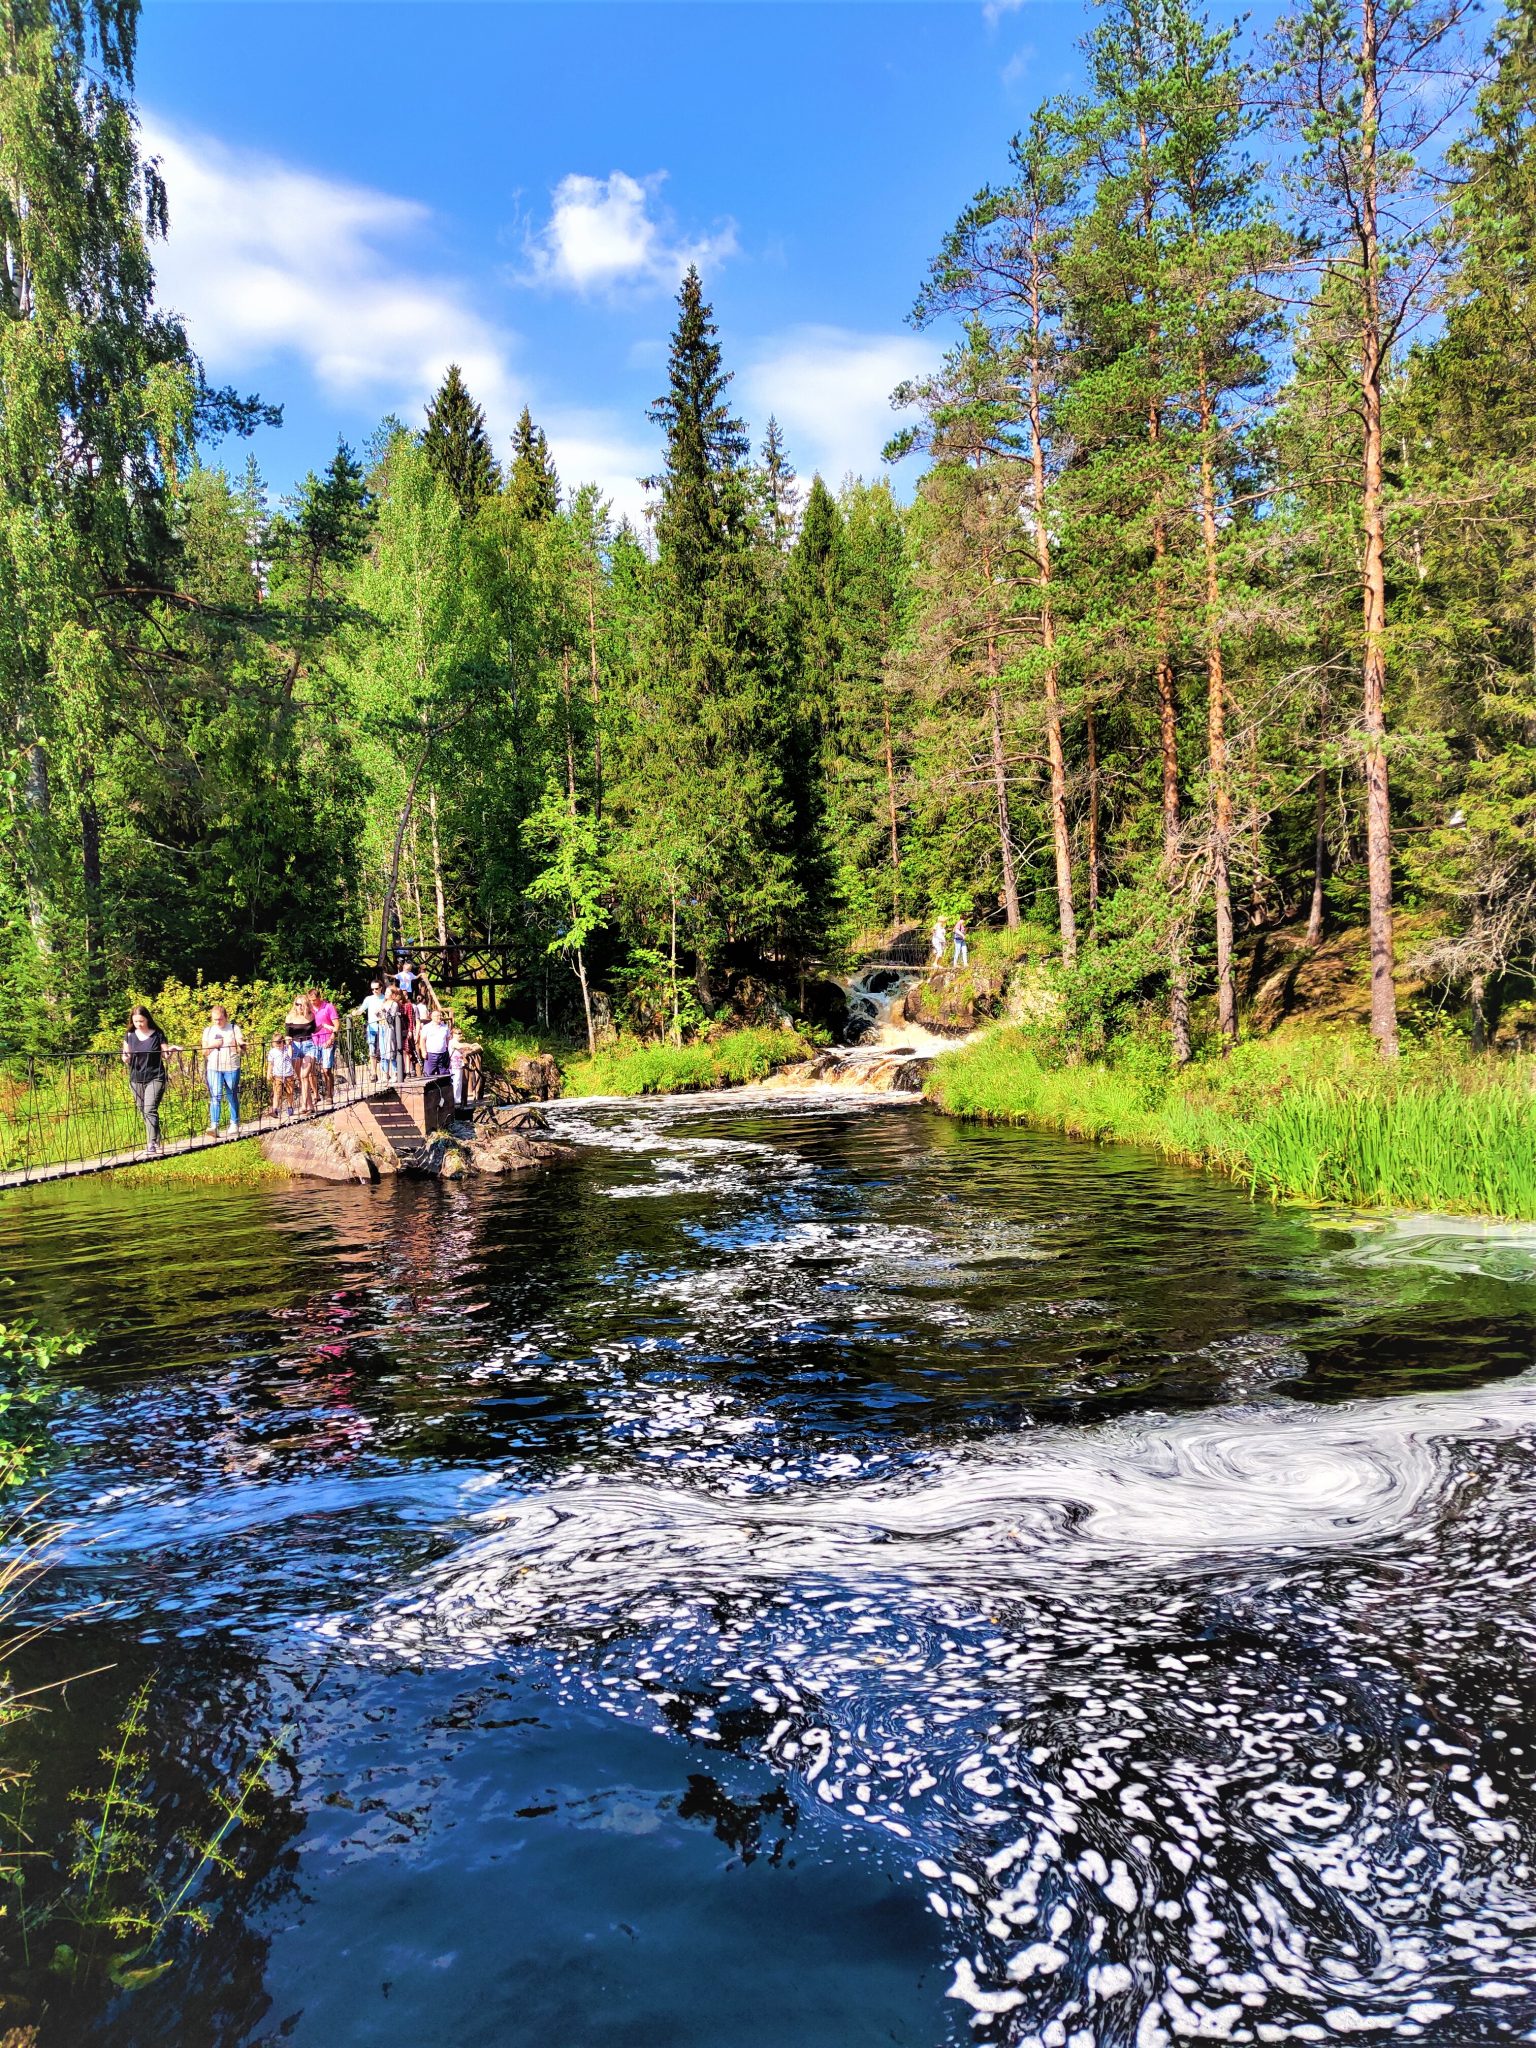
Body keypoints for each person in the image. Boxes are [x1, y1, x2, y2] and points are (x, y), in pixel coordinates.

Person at [121, 1006, 180, 1156]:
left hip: (155, 1076)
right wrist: (125, 1058)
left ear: (147, 1019)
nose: (138, 1024)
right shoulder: (129, 1035)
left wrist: (171, 1050)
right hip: (136, 1079)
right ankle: (157, 1140)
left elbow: (165, 1055)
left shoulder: (157, 1034)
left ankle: (151, 1143)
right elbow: (125, 1056)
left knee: (149, 1109)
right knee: (144, 1111)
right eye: (135, 1021)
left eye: (141, 1021)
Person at [201, 1003, 244, 1132]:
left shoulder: (234, 1028)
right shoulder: (208, 1031)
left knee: (231, 1094)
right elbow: (204, 1051)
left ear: (226, 1017)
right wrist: (212, 1045)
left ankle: (234, 1123)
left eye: (220, 1019)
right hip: (214, 1067)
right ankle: (214, 1126)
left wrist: (240, 1044)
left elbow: (240, 1041)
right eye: (215, 1019)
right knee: (216, 1094)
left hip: (231, 1066)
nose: (217, 1022)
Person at [285, 992, 317, 1112]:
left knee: (304, 1075)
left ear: (306, 1005)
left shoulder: (311, 1016)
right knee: (300, 1078)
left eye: (302, 1005)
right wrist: (288, 1041)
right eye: (297, 1004)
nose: (299, 1007)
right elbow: (288, 1035)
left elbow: (314, 1030)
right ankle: (310, 1106)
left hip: (309, 1045)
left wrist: (327, 1027)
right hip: (295, 1046)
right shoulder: (290, 1017)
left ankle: (303, 1105)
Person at [354, 977, 391, 1076]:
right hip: (372, 1027)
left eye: (376, 988)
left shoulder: (385, 998)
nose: (374, 991)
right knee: (372, 1051)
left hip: (383, 1027)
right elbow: (361, 1009)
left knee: (384, 1051)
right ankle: (374, 1073)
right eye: (372, 989)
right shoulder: (368, 999)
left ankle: (385, 1072)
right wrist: (355, 1013)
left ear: (381, 988)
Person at [308, 986, 339, 1103]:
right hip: (313, 1042)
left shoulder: (328, 1007)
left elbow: (336, 1024)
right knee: (311, 1070)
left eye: (314, 1000)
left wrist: (332, 1037)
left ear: (319, 997)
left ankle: (329, 1094)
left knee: (326, 1069)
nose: (312, 1002)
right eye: (310, 1000)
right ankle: (316, 1095)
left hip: (327, 1041)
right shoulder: (309, 1009)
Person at [448, 1016, 482, 1107]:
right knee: (456, 1081)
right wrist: (470, 1045)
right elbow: (459, 1046)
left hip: (459, 1064)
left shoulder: (456, 1042)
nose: (460, 1035)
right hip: (454, 1064)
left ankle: (457, 1098)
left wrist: (469, 1047)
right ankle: (456, 1099)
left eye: (461, 1033)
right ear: (453, 1034)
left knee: (458, 1081)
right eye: (458, 1033)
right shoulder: (452, 1042)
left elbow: (462, 1048)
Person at [377, 988, 407, 1083]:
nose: (385, 994)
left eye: (388, 992)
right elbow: (378, 1015)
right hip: (381, 1027)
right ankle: (385, 1075)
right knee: (383, 1052)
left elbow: (392, 1018)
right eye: (385, 992)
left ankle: (395, 1074)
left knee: (391, 1052)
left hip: (389, 1029)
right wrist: (379, 1012)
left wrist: (384, 1011)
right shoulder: (383, 1002)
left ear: (393, 994)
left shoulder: (394, 1004)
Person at [266, 1030, 294, 1118]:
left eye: (280, 1044)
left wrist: (288, 1044)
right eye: (276, 1044)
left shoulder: (287, 1049)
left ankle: (290, 1107)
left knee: (289, 1091)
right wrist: (268, 1073)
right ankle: (275, 1109)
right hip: (277, 1075)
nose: (278, 1046)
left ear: (283, 1042)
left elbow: (290, 1055)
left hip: (288, 1073)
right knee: (277, 1092)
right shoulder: (272, 1052)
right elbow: (270, 1063)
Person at [421, 1004, 452, 1080]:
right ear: (432, 1017)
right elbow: (422, 1040)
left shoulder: (445, 1027)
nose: (439, 1017)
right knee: (429, 1074)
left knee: (444, 1074)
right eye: (437, 1016)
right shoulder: (427, 1027)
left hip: (443, 1054)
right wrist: (423, 1051)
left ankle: (443, 1090)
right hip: (431, 1054)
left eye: (440, 1015)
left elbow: (448, 1039)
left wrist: (449, 1051)